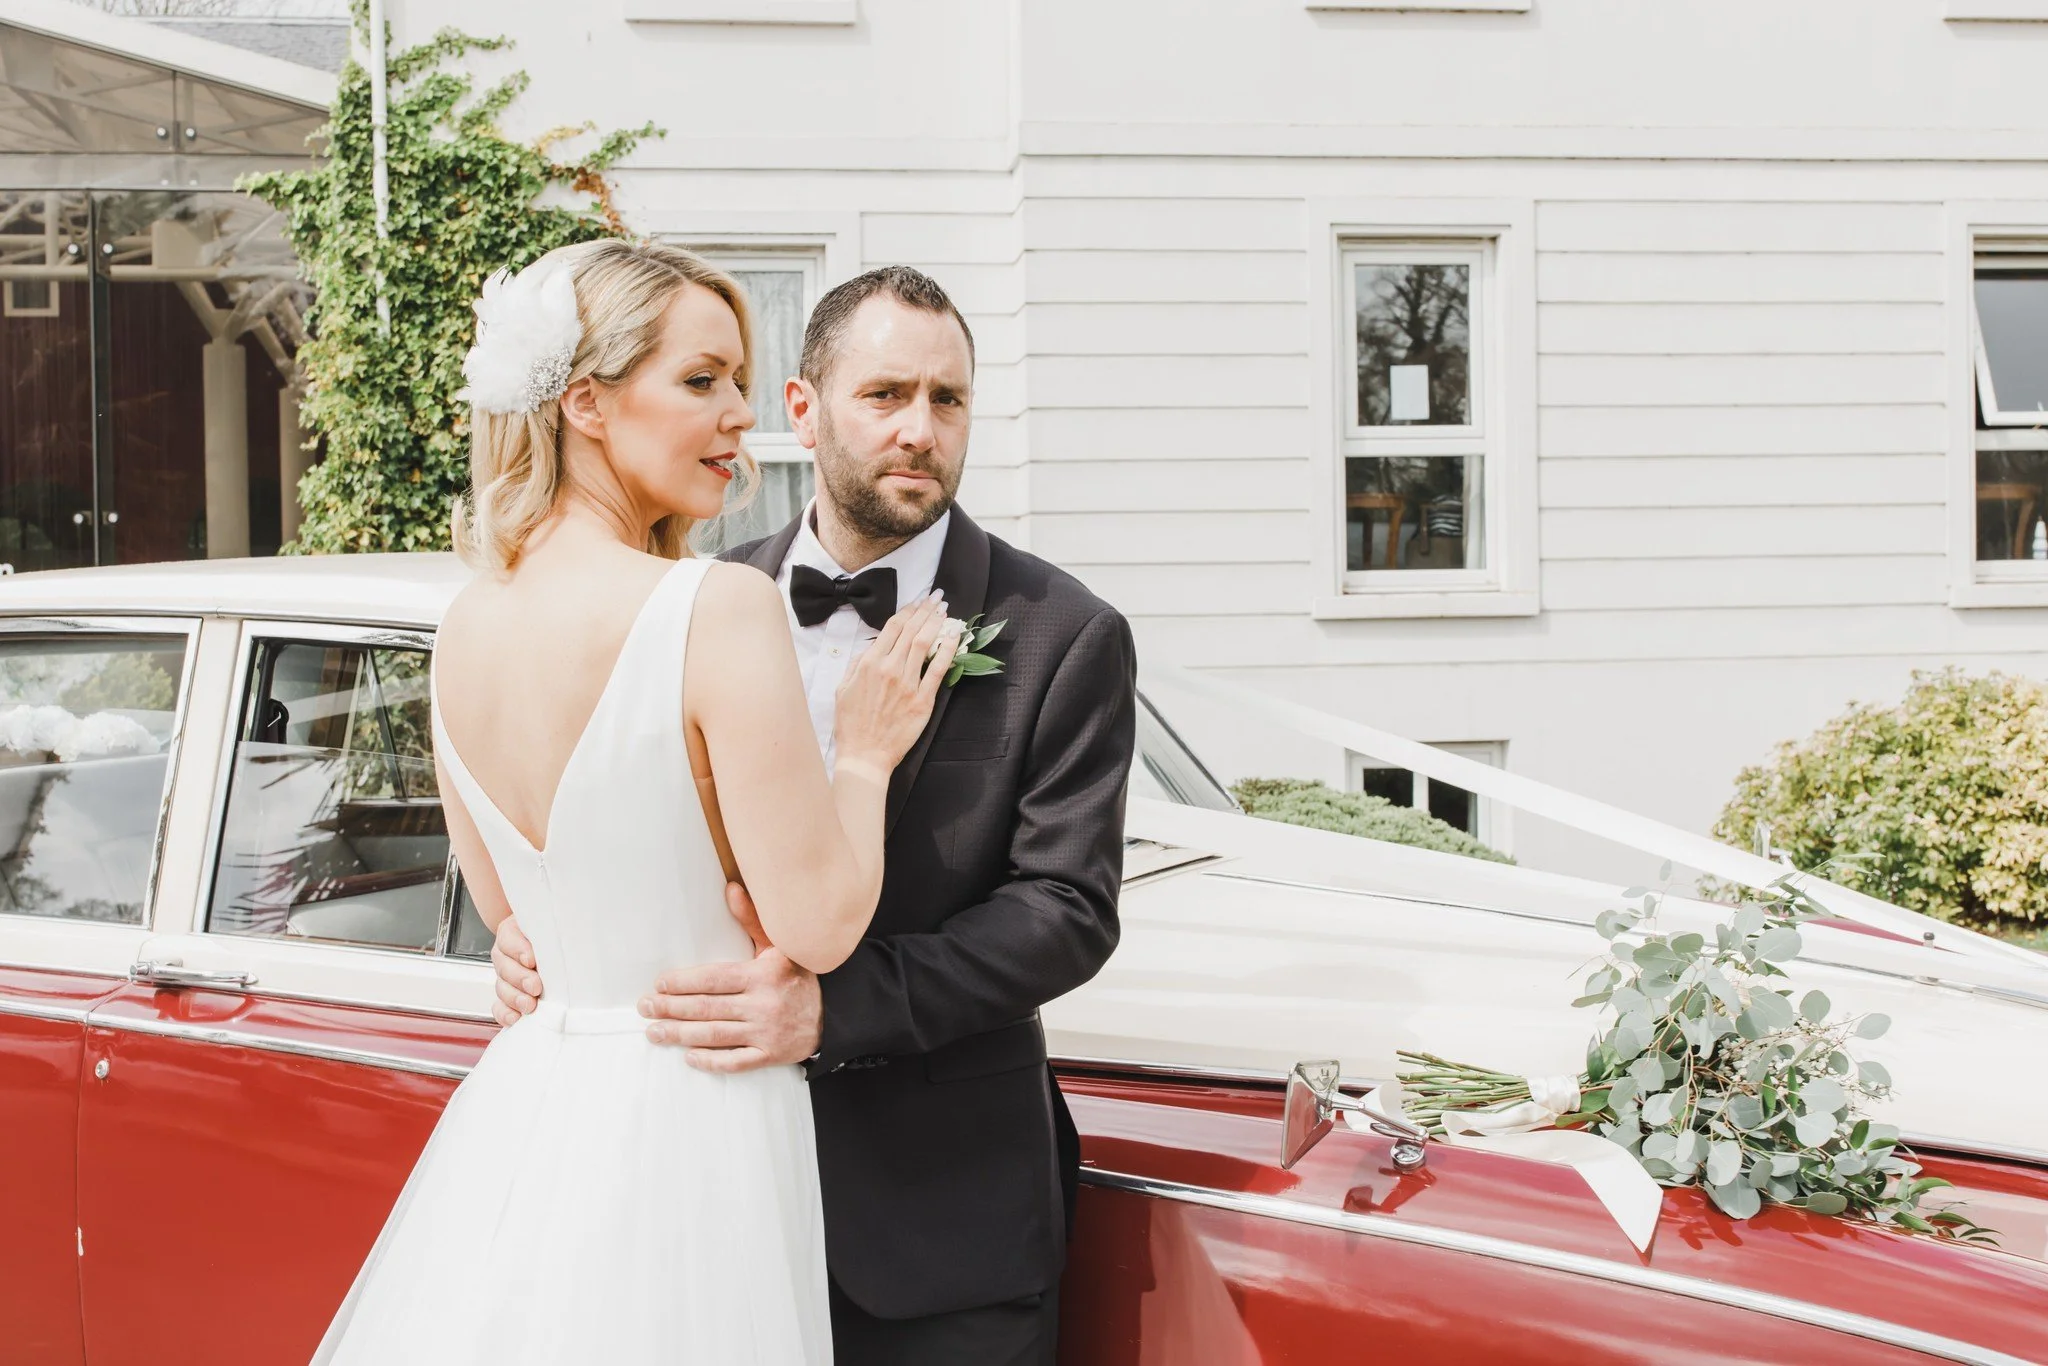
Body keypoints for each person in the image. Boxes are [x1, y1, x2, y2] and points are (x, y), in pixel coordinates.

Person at [314, 240, 958, 1364]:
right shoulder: (716, 606)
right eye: (700, 380)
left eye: (740, 387)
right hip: (689, 1124)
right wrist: (863, 753)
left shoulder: (462, 626)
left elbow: (512, 924)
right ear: (586, 404)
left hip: (529, 1121)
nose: (738, 422)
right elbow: (815, 923)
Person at [490, 266, 1139, 1364]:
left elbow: (1066, 909)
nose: (919, 431)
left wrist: (832, 1011)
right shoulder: (688, 602)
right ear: (801, 409)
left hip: (941, 1231)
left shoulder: (1063, 632)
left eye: (947, 400)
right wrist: (529, 936)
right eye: (884, 395)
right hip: (694, 1198)